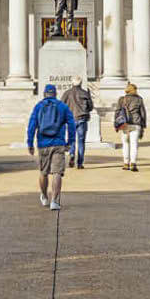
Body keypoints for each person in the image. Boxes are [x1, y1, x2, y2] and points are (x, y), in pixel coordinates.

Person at [27, 82, 76, 211]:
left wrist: (30, 143)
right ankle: (54, 201)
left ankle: (44, 196)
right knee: (57, 173)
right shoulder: (63, 107)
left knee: (43, 172)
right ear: (55, 94)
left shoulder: (38, 106)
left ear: (44, 94)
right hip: (58, 143)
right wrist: (70, 142)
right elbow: (71, 125)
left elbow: (32, 125)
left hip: (43, 143)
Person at [61, 75, 93, 169]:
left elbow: (61, 106)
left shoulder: (67, 93)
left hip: (71, 119)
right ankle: (80, 163)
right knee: (81, 141)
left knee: (72, 139)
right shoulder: (85, 93)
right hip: (82, 118)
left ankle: (71, 154)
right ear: (81, 83)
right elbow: (90, 107)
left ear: (72, 83)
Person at [115, 82, 146, 171]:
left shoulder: (121, 99)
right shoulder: (139, 99)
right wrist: (143, 126)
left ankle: (125, 163)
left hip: (125, 124)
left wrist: (116, 125)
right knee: (134, 144)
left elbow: (117, 112)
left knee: (125, 144)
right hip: (136, 124)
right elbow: (143, 114)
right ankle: (133, 163)